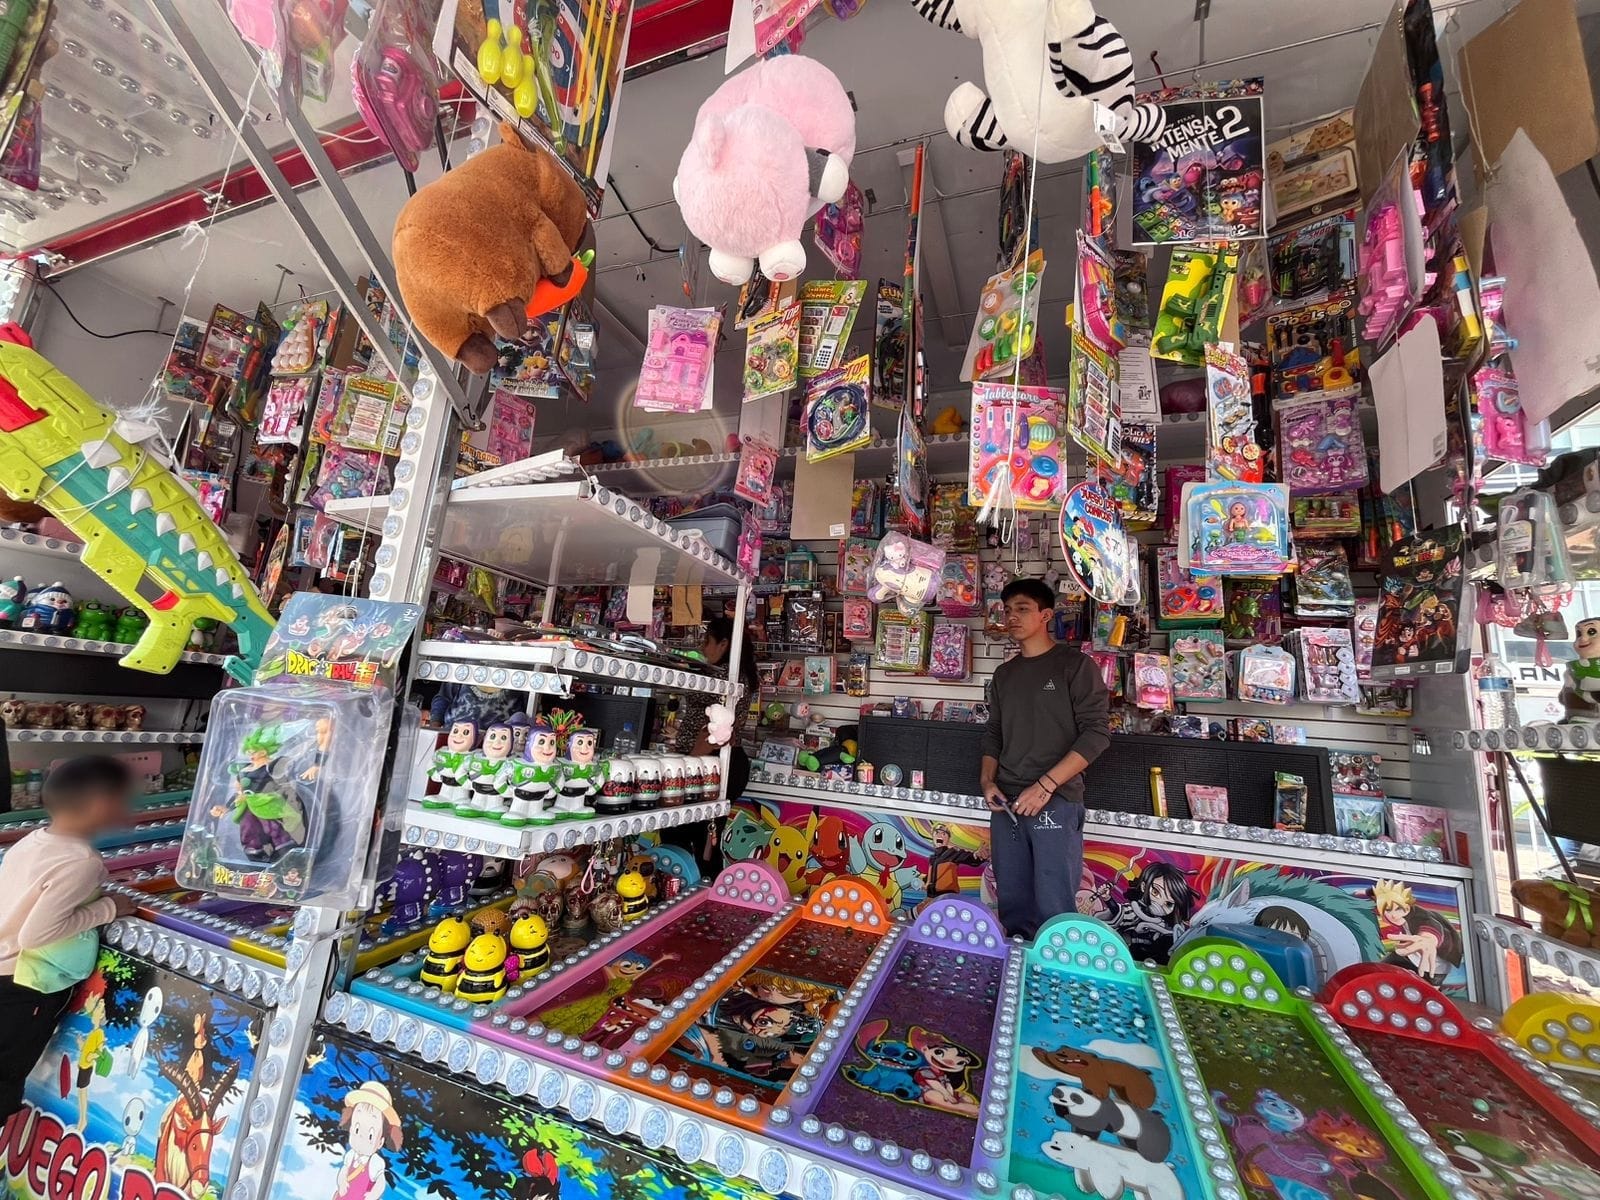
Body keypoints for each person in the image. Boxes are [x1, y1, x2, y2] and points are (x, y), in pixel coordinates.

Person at [0, 756, 138, 1120]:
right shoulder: (82, 862)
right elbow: (37, 933)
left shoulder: (31, 841)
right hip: (24, 983)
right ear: (101, 805)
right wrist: (109, 908)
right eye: (122, 801)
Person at [979, 578, 1111, 939]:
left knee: (1055, 906)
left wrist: (1046, 785)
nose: (1012, 617)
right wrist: (987, 781)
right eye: (1008, 610)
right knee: (1013, 902)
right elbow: (994, 733)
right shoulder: (1004, 674)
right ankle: (1017, 968)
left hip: (1057, 800)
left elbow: (1097, 734)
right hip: (1007, 803)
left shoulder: (1075, 666)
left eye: (1022, 609)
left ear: (1046, 615)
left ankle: (1056, 970)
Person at [665, 615, 758, 873]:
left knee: (686, 832)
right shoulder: (737, 675)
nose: (702, 648)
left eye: (707, 641)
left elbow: (716, 728)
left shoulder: (724, 677)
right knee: (706, 834)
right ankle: (701, 883)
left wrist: (691, 760)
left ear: (724, 644)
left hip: (710, 762)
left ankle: (689, 883)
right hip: (716, 761)